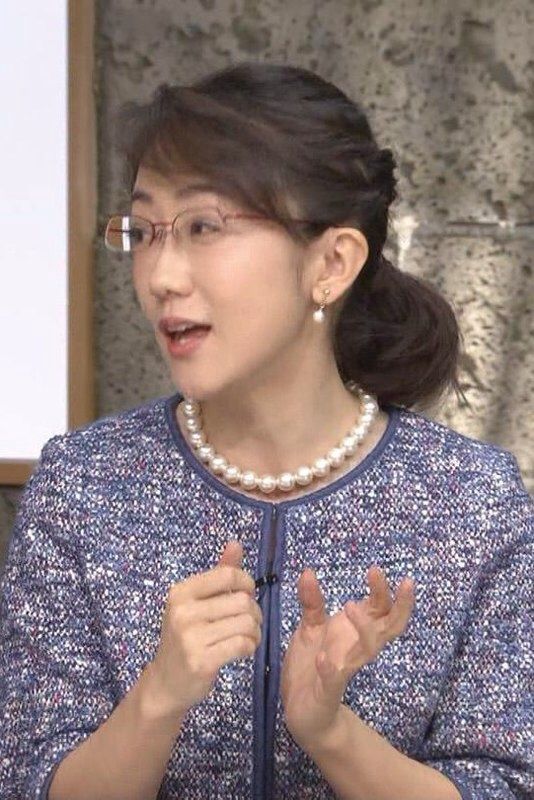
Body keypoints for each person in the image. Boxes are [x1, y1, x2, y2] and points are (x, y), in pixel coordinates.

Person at [0, 61, 532, 800]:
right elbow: (30, 779)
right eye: (144, 231)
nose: (160, 276)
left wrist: (331, 733)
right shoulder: (81, 487)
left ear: (333, 262)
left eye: (204, 227)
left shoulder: (471, 501)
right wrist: (158, 697)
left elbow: (506, 784)